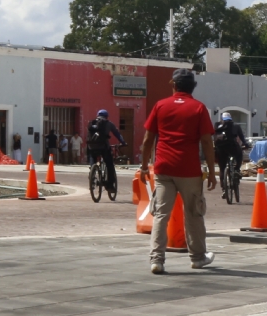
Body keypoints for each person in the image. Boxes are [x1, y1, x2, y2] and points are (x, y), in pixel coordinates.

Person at [140, 70, 218, 274]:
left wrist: (143, 165)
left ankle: (157, 259)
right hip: (189, 169)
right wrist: (211, 171)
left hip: (164, 167)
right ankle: (198, 257)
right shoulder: (199, 108)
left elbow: (148, 139)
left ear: (173, 85)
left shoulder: (160, 105)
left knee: (160, 214)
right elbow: (207, 142)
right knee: (194, 213)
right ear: (192, 86)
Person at [85, 109, 126, 197]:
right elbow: (117, 134)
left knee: (93, 157)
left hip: (91, 146)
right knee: (109, 164)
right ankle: (110, 185)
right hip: (103, 147)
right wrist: (123, 143)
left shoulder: (92, 123)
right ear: (107, 116)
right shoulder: (109, 123)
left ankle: (92, 173)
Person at [213, 113, 247, 199]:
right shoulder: (235, 125)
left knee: (222, 168)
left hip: (220, 149)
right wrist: (246, 144)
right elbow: (242, 138)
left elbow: (213, 136)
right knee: (239, 154)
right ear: (230, 118)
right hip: (232, 147)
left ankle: (224, 189)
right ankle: (236, 170)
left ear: (222, 119)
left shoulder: (217, 125)